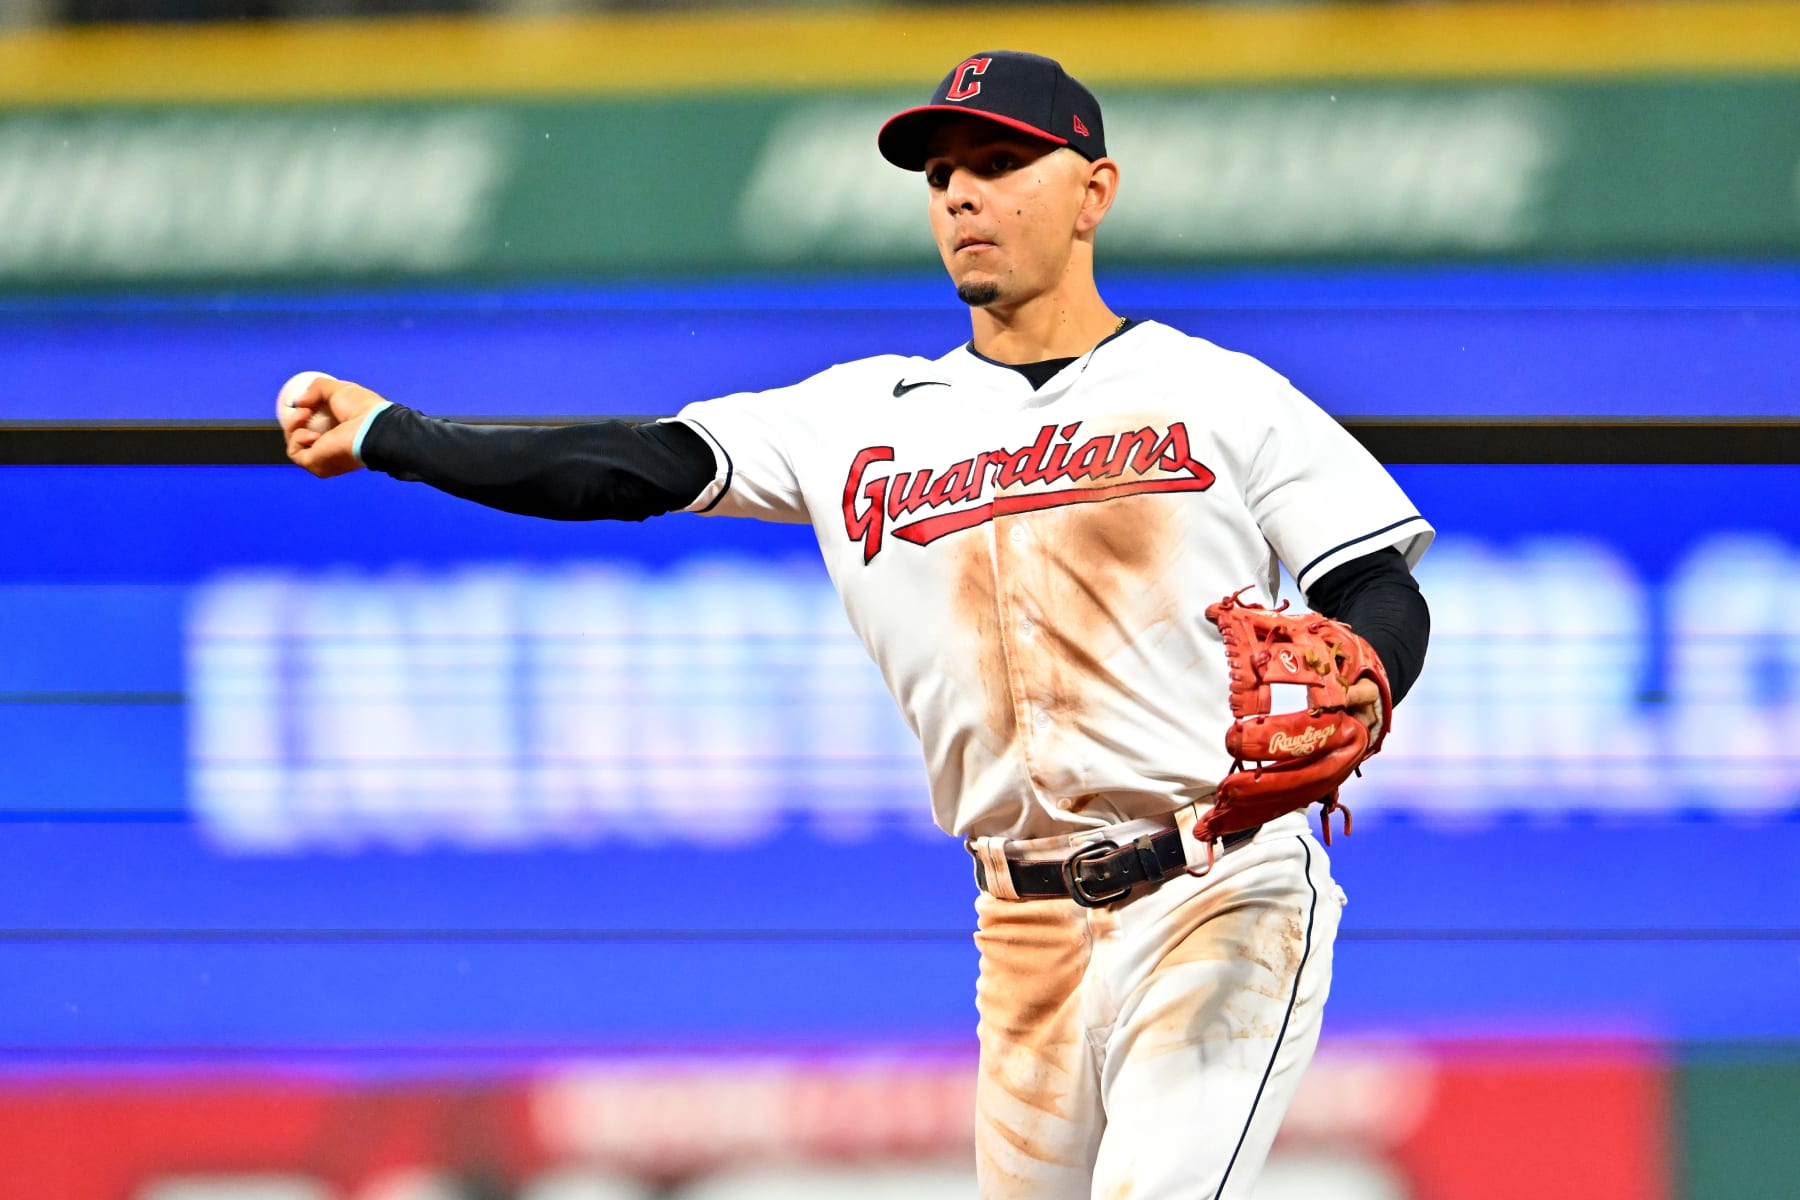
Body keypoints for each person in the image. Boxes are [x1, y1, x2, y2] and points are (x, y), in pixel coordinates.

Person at [280, 50, 1432, 1200]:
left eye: (1001, 162)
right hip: (1022, 930)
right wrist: (395, 433)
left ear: (1095, 192)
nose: (963, 195)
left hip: (1216, 890)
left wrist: (1371, 665)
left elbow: (1375, 578)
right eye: (940, 175)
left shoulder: (1217, 391)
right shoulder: (858, 416)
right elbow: (628, 467)